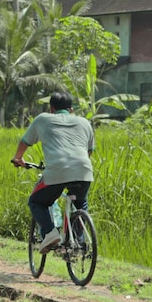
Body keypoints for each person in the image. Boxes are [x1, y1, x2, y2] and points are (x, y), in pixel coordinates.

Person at [11, 91, 94, 254]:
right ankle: (79, 244)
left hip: (57, 170)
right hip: (84, 169)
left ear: (51, 108)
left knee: (36, 202)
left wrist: (18, 158)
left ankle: (50, 233)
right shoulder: (84, 122)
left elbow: (24, 141)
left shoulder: (43, 119)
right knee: (80, 202)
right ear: (71, 109)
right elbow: (89, 151)